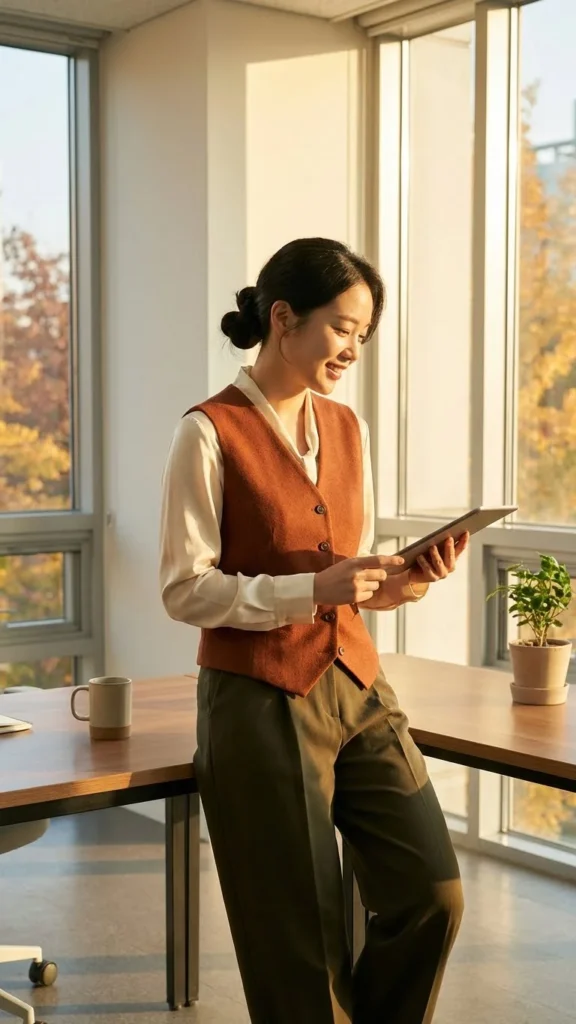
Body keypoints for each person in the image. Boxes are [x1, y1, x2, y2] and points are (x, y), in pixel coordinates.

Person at [160, 237, 469, 1024]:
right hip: (258, 703)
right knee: (300, 953)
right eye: (341, 329)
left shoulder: (347, 428)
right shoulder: (207, 432)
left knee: (433, 894)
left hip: (358, 685)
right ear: (284, 317)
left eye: (363, 336)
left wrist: (401, 582)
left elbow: (344, 580)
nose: (352, 350)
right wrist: (309, 591)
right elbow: (184, 589)